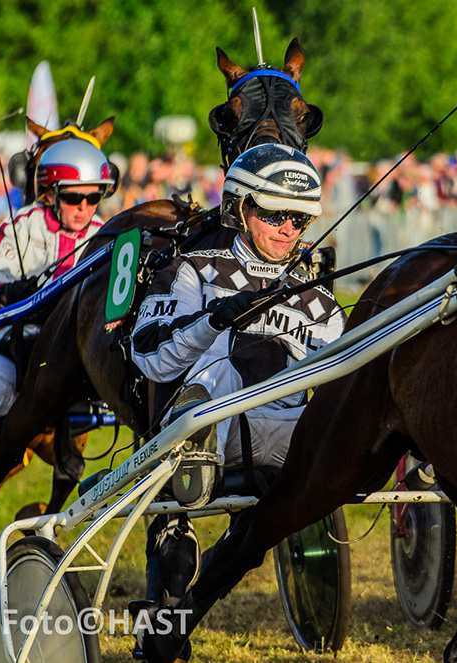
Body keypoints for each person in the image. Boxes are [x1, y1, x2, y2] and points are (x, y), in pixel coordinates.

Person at [128, 144, 345, 657]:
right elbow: (151, 359)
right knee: (223, 369)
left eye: (299, 218)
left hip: (291, 433)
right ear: (240, 209)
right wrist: (216, 318)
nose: (288, 229)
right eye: (274, 214)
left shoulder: (319, 300)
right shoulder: (195, 272)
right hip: (214, 429)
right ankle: (193, 466)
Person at [0, 138, 116, 419]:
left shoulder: (108, 235)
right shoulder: (21, 226)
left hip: (81, 352)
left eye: (93, 198)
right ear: (52, 194)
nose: (83, 207)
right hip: (15, 348)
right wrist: (8, 293)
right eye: (72, 198)